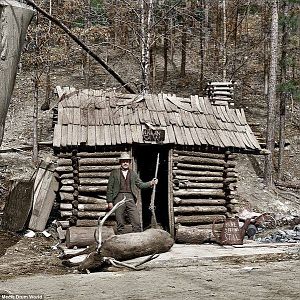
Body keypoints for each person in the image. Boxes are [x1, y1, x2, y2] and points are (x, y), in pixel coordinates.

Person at [106, 152, 158, 234]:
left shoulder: (133, 174)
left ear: (129, 162)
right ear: (120, 162)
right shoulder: (114, 173)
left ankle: (137, 240)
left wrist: (151, 183)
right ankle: (121, 241)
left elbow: (140, 185)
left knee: (136, 220)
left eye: (127, 161)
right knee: (120, 221)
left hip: (130, 197)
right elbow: (109, 188)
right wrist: (109, 201)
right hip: (118, 197)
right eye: (123, 161)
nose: (125, 163)